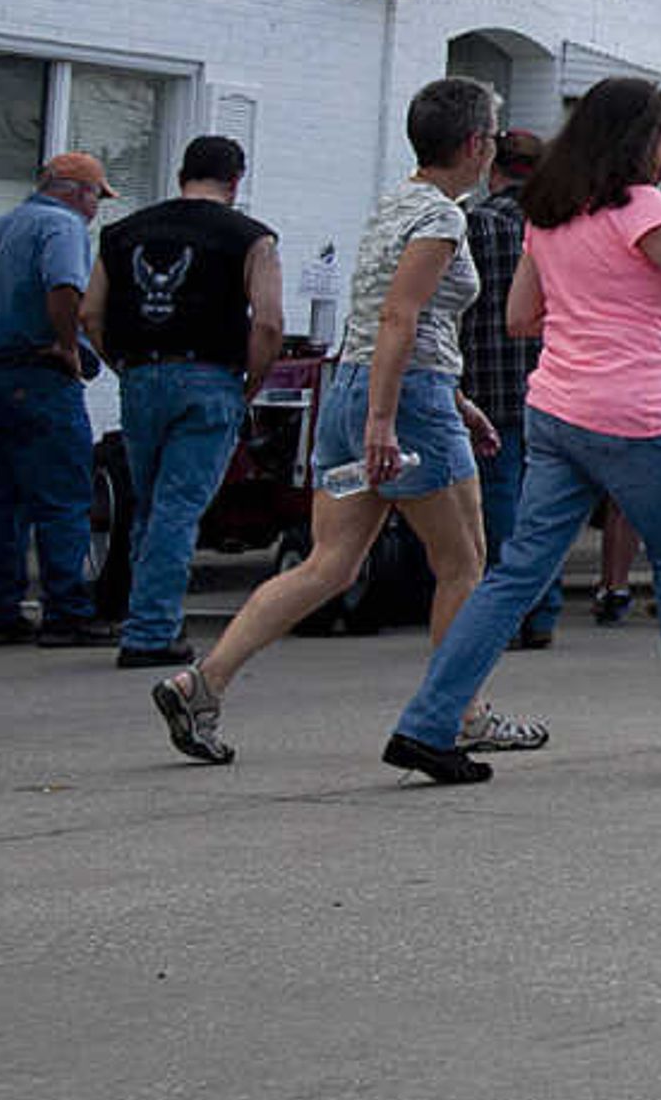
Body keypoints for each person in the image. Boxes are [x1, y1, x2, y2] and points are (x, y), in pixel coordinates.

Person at [369, 74, 661, 782]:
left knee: (516, 574)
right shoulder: (643, 209)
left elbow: (520, 318)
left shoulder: (548, 212)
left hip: (557, 411)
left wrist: (594, 305)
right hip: (635, 414)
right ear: (641, 139)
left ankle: (428, 722)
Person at [152, 79, 538, 761]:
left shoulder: (395, 203)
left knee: (330, 565)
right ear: (475, 145)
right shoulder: (445, 219)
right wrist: (391, 422)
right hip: (404, 399)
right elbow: (401, 316)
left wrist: (445, 399)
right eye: (494, 139)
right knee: (464, 564)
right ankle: (459, 712)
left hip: (358, 387)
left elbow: (383, 321)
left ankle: (203, 683)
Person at [97, 135, 281, 667]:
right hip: (209, 375)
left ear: (182, 174)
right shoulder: (252, 238)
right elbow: (268, 322)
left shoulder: (121, 233)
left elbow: (91, 313)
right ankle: (152, 632)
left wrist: (123, 364)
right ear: (236, 180)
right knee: (178, 508)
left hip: (140, 372)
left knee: (149, 504)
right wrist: (250, 382)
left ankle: (145, 615)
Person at [0, 151, 118, 646]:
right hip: (42, 377)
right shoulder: (62, 228)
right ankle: (67, 611)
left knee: (2, 502)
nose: (95, 210)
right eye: (96, 199)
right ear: (77, 192)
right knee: (64, 496)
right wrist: (67, 344)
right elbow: (64, 285)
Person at [460, 128, 553, 648]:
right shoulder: (553, 227)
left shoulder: (477, 226)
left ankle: (508, 609)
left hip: (488, 385)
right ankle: (544, 608)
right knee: (542, 504)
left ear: (496, 169)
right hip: (548, 382)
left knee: (497, 504)